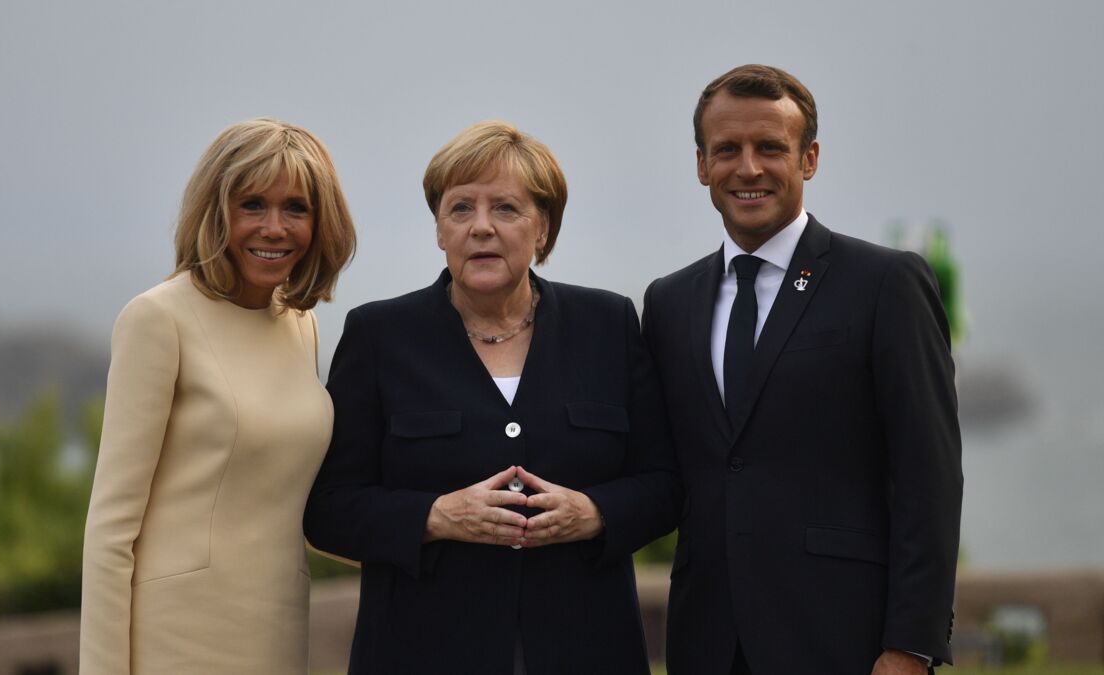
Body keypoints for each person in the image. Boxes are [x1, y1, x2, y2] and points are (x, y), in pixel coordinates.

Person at [304, 120, 679, 675]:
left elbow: (666, 483)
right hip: (419, 652)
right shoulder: (379, 335)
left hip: (588, 649)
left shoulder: (608, 324)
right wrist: (435, 516)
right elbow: (328, 508)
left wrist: (595, 513)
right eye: (460, 209)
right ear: (438, 228)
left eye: (505, 208)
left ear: (544, 228)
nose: (481, 228)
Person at [642, 65, 962, 675]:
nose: (749, 168)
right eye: (727, 150)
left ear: (809, 159)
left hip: (846, 641)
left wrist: (911, 646)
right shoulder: (668, 302)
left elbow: (931, 476)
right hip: (707, 642)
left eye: (770, 148)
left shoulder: (886, 283)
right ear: (702, 165)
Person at [80, 118, 356, 674]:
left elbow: (297, 501)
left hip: (278, 630)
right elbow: (110, 530)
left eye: (296, 208)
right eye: (252, 204)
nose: (274, 228)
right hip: (177, 638)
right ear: (215, 210)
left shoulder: (300, 324)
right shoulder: (158, 318)